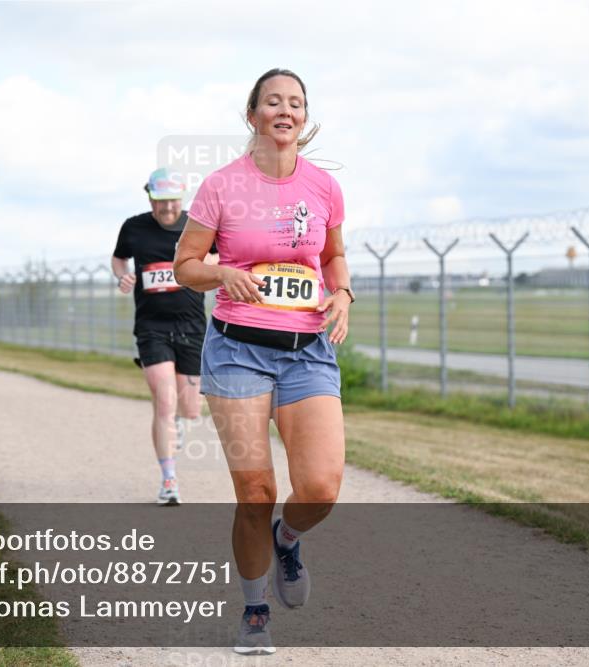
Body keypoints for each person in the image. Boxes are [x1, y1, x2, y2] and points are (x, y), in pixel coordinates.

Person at [173, 68, 354, 655]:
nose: (285, 110)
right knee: (254, 490)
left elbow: (334, 256)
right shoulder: (222, 186)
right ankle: (254, 609)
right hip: (238, 349)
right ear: (252, 114)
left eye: (296, 103)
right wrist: (222, 272)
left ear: (305, 117)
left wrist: (343, 293)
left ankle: (289, 538)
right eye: (272, 101)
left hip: (308, 352)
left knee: (321, 487)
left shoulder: (323, 187)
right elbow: (186, 265)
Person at [112, 168, 218, 506]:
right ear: (150, 198)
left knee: (190, 408)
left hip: (191, 326)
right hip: (151, 327)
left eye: (172, 201)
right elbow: (119, 258)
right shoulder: (134, 227)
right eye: (160, 202)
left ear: (182, 198)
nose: (167, 208)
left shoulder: (197, 225)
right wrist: (123, 276)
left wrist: (201, 266)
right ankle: (169, 479)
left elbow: (219, 255)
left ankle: (182, 424)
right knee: (165, 400)